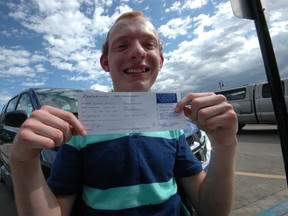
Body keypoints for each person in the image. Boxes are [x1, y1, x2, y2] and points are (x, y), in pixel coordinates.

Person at [10, 11, 238, 216]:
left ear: (160, 60)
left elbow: (211, 209)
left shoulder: (173, 126)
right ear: (105, 62)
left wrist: (225, 146)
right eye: (122, 46)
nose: (138, 52)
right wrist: (22, 161)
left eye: (149, 45)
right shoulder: (80, 129)